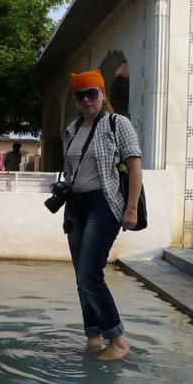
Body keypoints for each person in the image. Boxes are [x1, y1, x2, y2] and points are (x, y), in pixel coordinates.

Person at [61, 69, 142, 361]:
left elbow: (134, 167)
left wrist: (130, 208)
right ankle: (93, 337)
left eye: (91, 93)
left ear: (102, 94)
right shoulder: (71, 129)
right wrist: (64, 185)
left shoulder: (116, 123)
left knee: (89, 273)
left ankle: (117, 341)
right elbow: (74, 170)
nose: (86, 100)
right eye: (80, 95)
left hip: (104, 205)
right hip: (76, 205)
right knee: (81, 276)